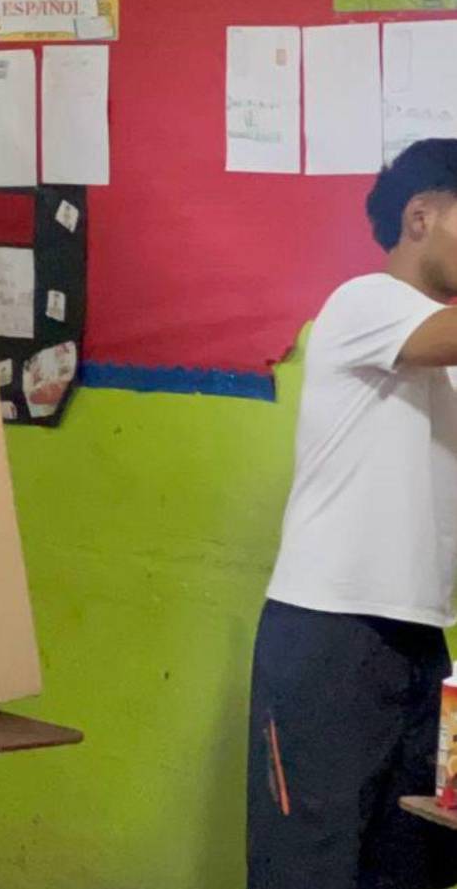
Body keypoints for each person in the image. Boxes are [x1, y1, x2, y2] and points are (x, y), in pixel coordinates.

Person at [249, 138, 457, 889]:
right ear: (420, 216)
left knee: (410, 865)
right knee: (310, 866)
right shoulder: (364, 302)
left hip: (419, 640)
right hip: (326, 635)